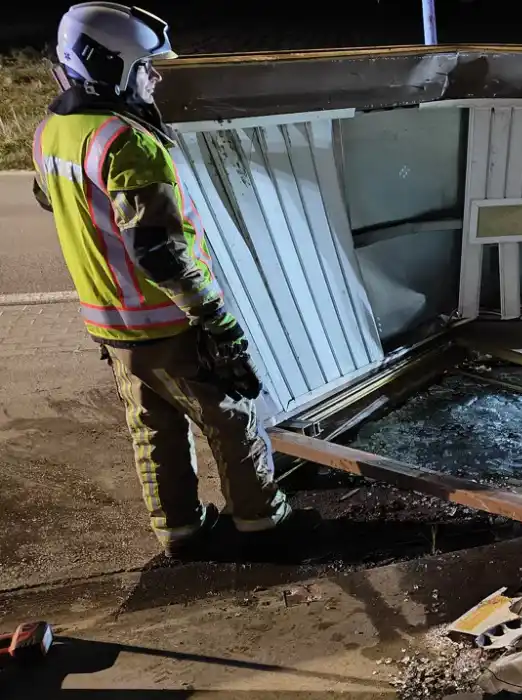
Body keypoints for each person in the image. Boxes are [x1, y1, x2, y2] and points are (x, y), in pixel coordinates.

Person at [33, 2, 315, 558]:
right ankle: (263, 524)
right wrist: (216, 320)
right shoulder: (127, 142)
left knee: (154, 428)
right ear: (109, 67)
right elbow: (159, 252)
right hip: (164, 323)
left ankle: (180, 532)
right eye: (145, 66)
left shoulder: (50, 132)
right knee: (232, 420)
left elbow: (53, 201)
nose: (155, 77)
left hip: (110, 324)